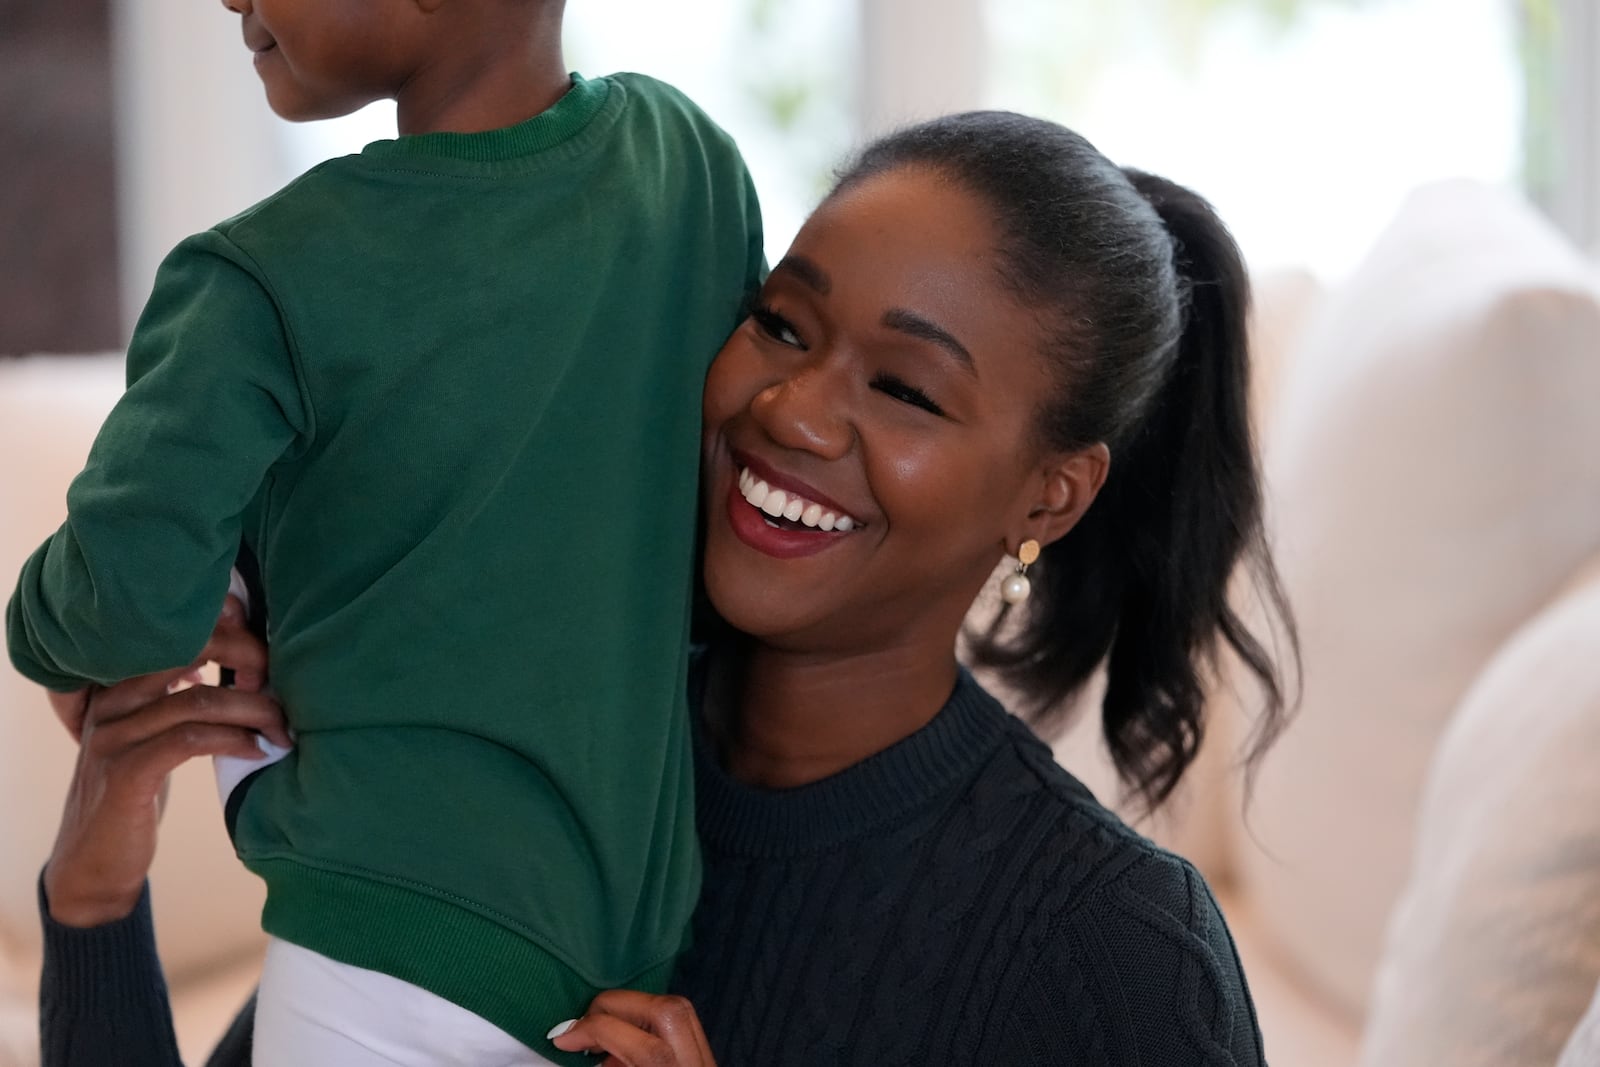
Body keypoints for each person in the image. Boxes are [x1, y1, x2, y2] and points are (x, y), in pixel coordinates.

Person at [35, 110, 1295, 1065]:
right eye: (783, 325)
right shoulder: (515, 738)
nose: (791, 411)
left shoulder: (1111, 952)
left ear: (1048, 495)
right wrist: (94, 899)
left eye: (904, 390)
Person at [8, 0, 764, 1062]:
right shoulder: (692, 171)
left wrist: (43, 630)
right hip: (629, 946)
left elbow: (121, 601)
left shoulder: (262, 277)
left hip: (379, 943)